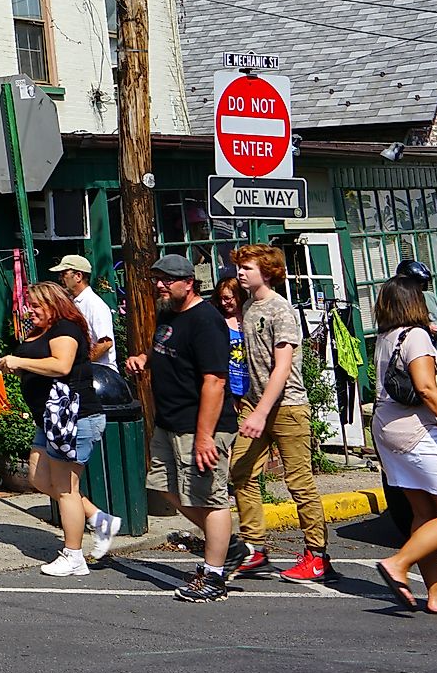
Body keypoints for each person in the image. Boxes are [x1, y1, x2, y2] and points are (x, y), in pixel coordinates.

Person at [128, 252, 237, 602]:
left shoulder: (206, 320)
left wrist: (205, 436)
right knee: (164, 487)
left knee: (209, 497)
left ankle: (214, 577)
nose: (159, 285)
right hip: (169, 421)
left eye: (167, 279)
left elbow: (215, 380)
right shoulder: (168, 314)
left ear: (189, 283)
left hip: (200, 426)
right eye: (157, 278)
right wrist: (145, 358)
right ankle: (227, 544)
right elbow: (165, 348)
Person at [369, 271, 437, 614]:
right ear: (414, 302)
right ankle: (398, 563)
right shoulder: (415, 336)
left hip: (387, 429)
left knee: (424, 513)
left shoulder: (386, 337)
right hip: (419, 432)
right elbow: (427, 388)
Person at [226, 244, 334, 582]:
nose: (241, 272)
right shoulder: (247, 307)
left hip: (286, 407)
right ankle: (255, 548)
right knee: (240, 470)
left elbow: (282, 368)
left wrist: (259, 413)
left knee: (299, 483)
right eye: (240, 267)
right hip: (255, 405)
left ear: (267, 271)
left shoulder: (280, 310)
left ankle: (317, 555)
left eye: (248, 267)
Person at [0, 283, 103, 577]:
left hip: (72, 417)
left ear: (53, 305)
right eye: (29, 305)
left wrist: (21, 361)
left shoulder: (65, 328)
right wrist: (19, 367)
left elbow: (61, 365)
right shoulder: (42, 331)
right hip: (49, 418)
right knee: (39, 478)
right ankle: (97, 518)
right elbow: (42, 363)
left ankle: (74, 555)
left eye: (36, 306)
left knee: (67, 489)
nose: (31, 311)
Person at [45, 253, 123, 559]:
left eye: (65, 273)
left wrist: (77, 363)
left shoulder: (95, 305)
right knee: (56, 478)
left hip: (100, 383)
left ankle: (80, 542)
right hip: (79, 385)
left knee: (68, 479)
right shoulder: (73, 306)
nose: (62, 278)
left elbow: (104, 341)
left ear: (78, 275)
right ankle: (95, 517)